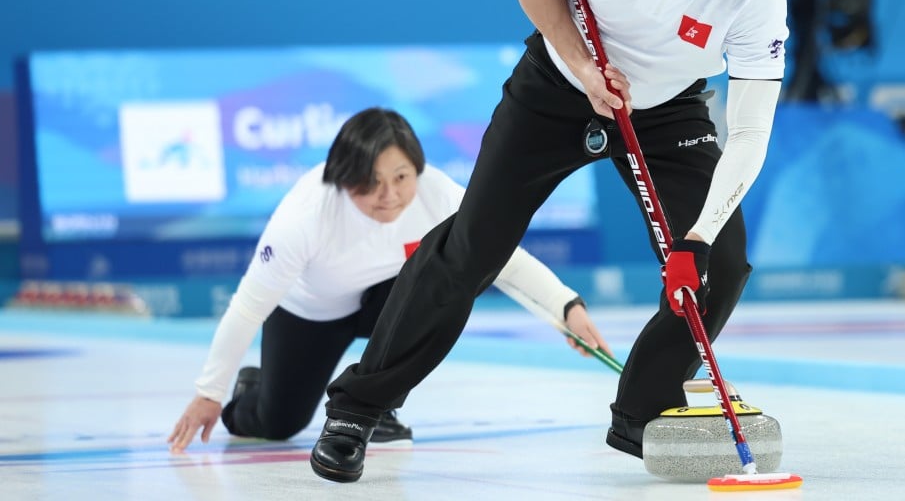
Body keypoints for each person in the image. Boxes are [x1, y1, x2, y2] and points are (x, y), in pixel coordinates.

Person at [309, 0, 788, 483]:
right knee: (473, 247)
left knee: (720, 266)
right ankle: (358, 408)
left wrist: (697, 238)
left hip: (667, 108)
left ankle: (643, 413)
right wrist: (583, 66)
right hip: (559, 88)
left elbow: (751, 131)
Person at [167, 108, 611, 454]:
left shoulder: (436, 192)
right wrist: (209, 393)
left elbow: (503, 258)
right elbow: (248, 308)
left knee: (451, 278)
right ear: (343, 175)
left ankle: (376, 406)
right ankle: (252, 389)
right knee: (278, 424)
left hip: (387, 301)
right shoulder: (304, 217)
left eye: (401, 177)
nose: (390, 196)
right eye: (371, 181)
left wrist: (567, 307)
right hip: (312, 313)